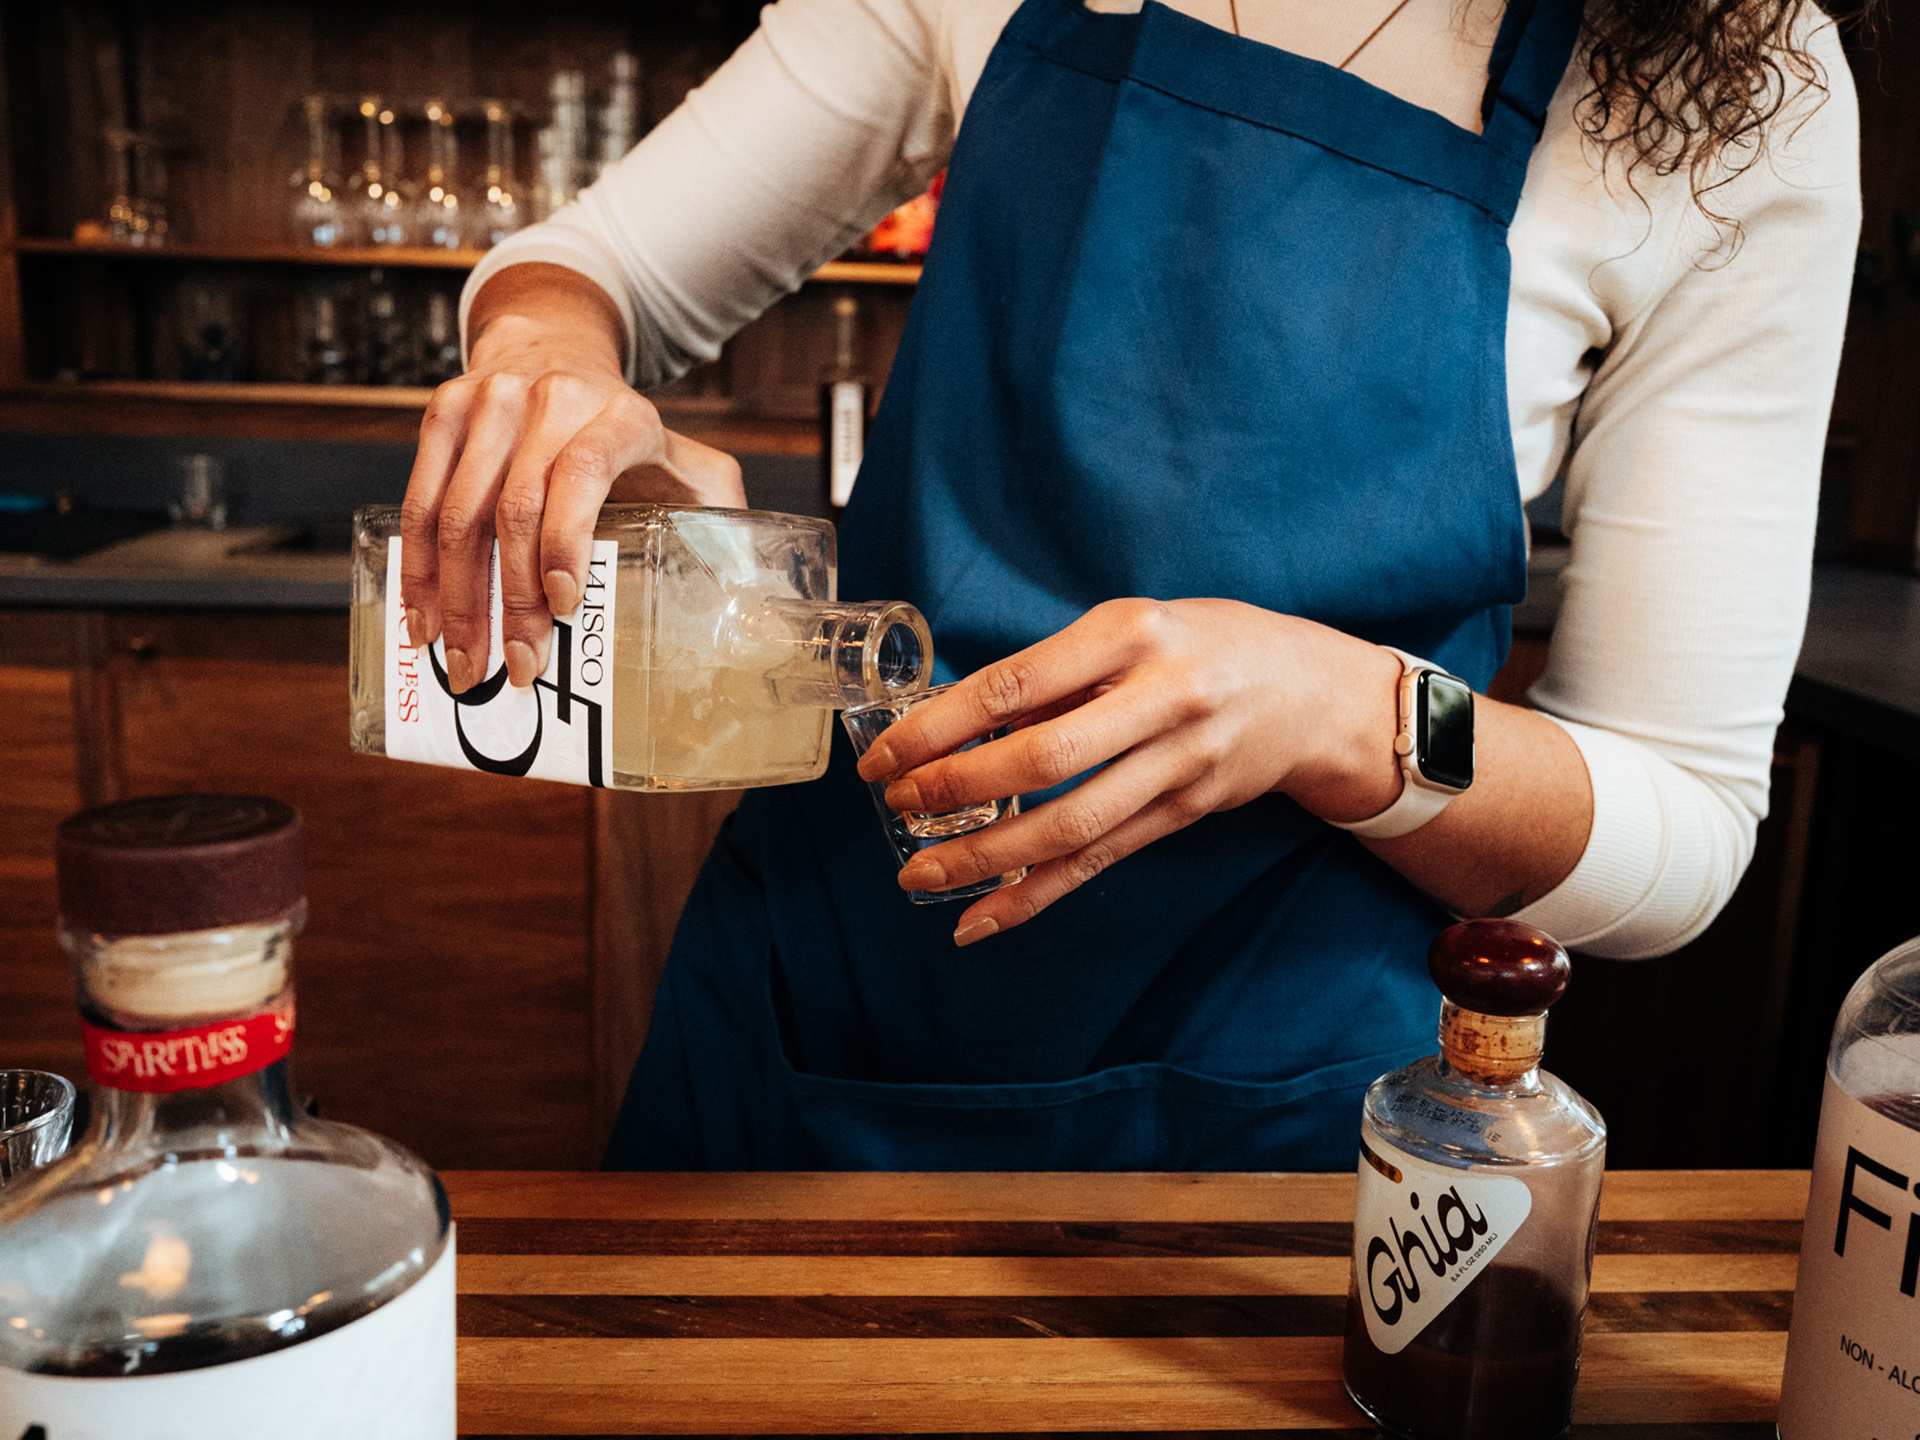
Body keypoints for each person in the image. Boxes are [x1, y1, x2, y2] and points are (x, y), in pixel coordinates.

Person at [399, 0, 1862, 1169]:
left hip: (1278, 1103)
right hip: (824, 1010)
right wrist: (544, 370)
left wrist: (1345, 710)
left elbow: (1682, 823)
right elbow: (591, 271)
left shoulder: (1737, 91)